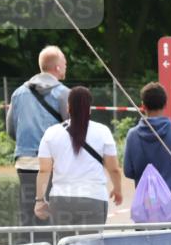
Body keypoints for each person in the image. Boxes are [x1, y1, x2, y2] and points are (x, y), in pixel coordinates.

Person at [34, 87, 122, 231]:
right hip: (94, 198)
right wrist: (117, 189)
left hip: (61, 200)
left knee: (64, 244)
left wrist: (39, 200)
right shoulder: (103, 131)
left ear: (68, 107)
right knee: (91, 244)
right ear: (89, 109)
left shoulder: (51, 133)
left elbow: (44, 170)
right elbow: (114, 169)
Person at [6, 45, 70, 235]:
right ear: (57, 67)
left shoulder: (18, 93)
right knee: (52, 214)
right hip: (52, 163)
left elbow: (11, 130)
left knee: (28, 214)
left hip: (25, 160)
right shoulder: (64, 93)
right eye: (65, 63)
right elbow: (71, 129)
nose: (66, 66)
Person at [123, 82, 171, 221]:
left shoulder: (132, 135)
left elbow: (128, 172)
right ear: (166, 104)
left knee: (150, 236)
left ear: (143, 106)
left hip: (147, 203)